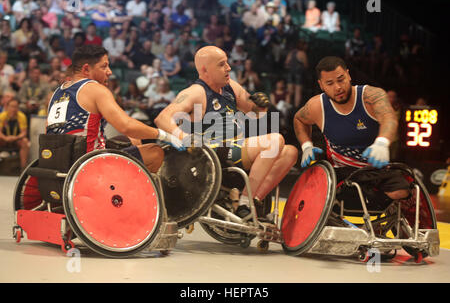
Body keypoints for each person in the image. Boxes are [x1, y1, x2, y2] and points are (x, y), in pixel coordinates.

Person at [155, 46, 298, 218]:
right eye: (222, 64)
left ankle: (255, 201)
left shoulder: (230, 87)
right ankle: (245, 203)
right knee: (274, 141)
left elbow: (256, 112)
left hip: (237, 148)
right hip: (214, 154)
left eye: (227, 63)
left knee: (290, 152)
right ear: (204, 70)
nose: (228, 68)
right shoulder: (195, 92)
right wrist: (185, 138)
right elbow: (162, 119)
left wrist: (261, 104)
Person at [46, 45, 183, 174]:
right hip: (89, 163)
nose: (109, 72)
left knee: (133, 139)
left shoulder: (57, 93)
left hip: (59, 162)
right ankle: (126, 196)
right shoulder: (95, 89)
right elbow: (126, 125)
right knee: (154, 152)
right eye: (104, 66)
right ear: (86, 69)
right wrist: (164, 135)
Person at [293, 56, 410, 202]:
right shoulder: (317, 106)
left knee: (402, 191)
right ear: (321, 85)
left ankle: (374, 208)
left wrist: (382, 142)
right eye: (330, 83)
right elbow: (299, 119)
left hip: (375, 169)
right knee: (315, 189)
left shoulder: (371, 95)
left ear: (348, 75)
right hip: (340, 172)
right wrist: (306, 146)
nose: (338, 87)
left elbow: (389, 118)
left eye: (341, 79)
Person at [0, 98, 30, 169]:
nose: (13, 109)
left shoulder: (21, 116)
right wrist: (5, 138)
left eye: (15, 107)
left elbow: (24, 133)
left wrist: (15, 138)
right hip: (4, 140)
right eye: (11, 106)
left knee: (25, 142)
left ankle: (23, 168)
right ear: (7, 107)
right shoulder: (2, 116)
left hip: (16, 140)